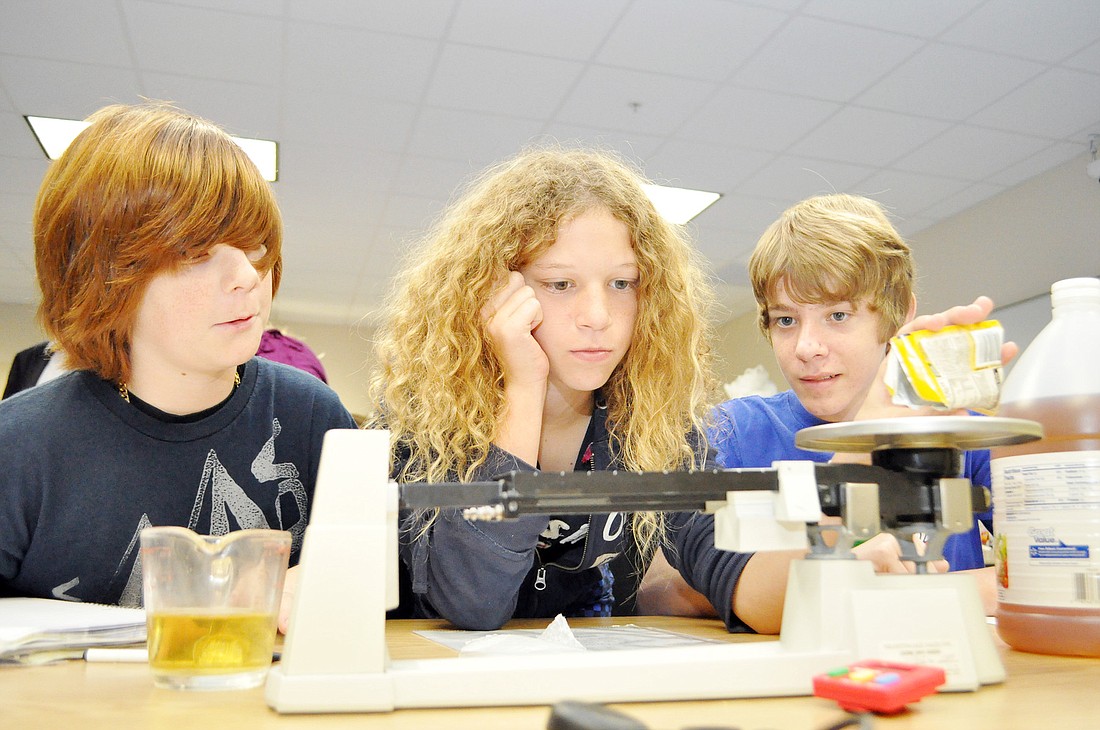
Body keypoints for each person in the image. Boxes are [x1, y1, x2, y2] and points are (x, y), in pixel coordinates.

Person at [291, 148, 920, 637]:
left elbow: (727, 569)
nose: (598, 315)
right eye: (561, 284)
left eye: (622, 283)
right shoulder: (426, 427)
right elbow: (472, 603)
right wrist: (523, 385)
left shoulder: (650, 426)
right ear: (492, 290)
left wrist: (831, 575)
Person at [0, 102, 356, 606]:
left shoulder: (313, 416)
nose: (249, 277)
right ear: (101, 274)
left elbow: (384, 587)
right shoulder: (19, 449)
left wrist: (331, 583)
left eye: (256, 246)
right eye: (195, 253)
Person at [640, 193, 1005, 624]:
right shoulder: (731, 432)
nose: (806, 348)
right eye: (786, 320)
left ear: (899, 314)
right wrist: (795, 583)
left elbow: (1055, 567)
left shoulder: (962, 434)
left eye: (837, 315)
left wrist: (904, 591)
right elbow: (654, 592)